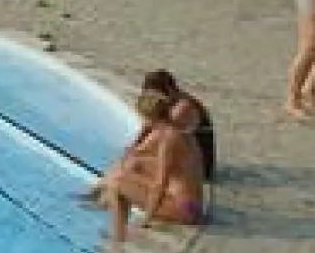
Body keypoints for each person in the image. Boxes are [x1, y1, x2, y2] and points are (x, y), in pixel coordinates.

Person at [80, 70, 216, 202]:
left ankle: (109, 193)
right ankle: (101, 192)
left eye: (154, 96)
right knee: (131, 158)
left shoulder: (182, 108)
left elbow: (162, 138)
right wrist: (134, 146)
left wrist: (138, 151)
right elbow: (149, 129)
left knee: (134, 161)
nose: (152, 100)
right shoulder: (167, 104)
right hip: (180, 158)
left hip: (198, 169)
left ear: (168, 91)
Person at [102, 91, 206, 248]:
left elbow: (160, 183)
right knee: (131, 166)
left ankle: (118, 239)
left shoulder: (168, 140)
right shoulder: (178, 131)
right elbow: (138, 153)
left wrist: (146, 219)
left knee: (115, 182)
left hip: (187, 210)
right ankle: (118, 230)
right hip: (193, 204)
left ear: (149, 118)